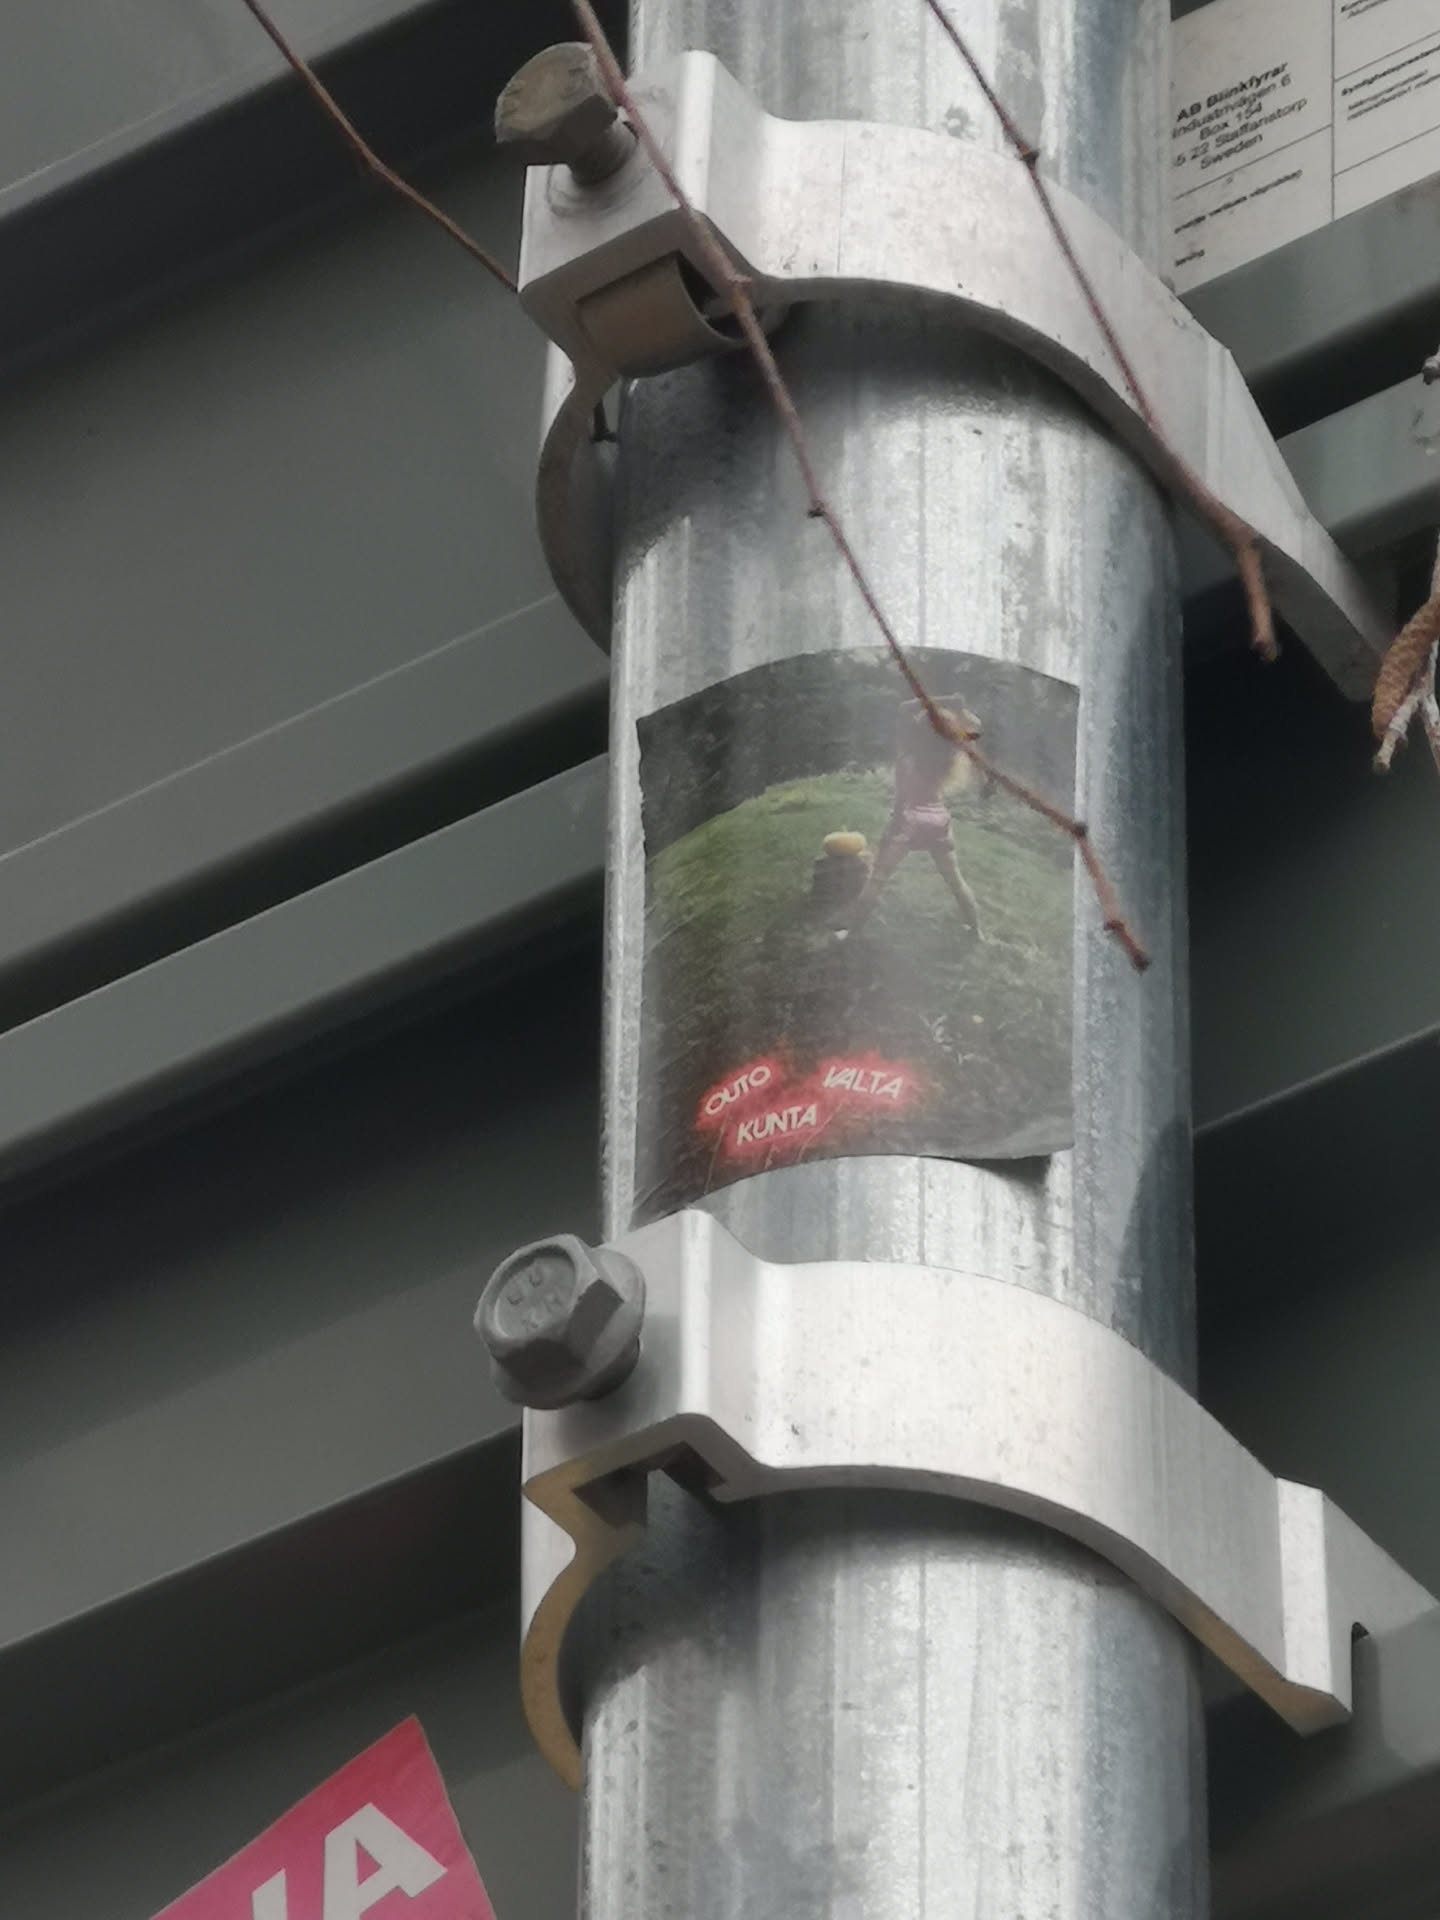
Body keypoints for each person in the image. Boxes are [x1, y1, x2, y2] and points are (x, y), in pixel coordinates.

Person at [844, 695, 986, 938]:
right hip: (938, 818)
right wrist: (958, 707)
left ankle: (850, 933)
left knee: (877, 879)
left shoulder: (906, 755)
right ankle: (977, 932)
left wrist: (939, 701)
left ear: (917, 732)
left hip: (908, 818)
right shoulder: (946, 755)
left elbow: (903, 708)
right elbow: (975, 727)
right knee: (955, 881)